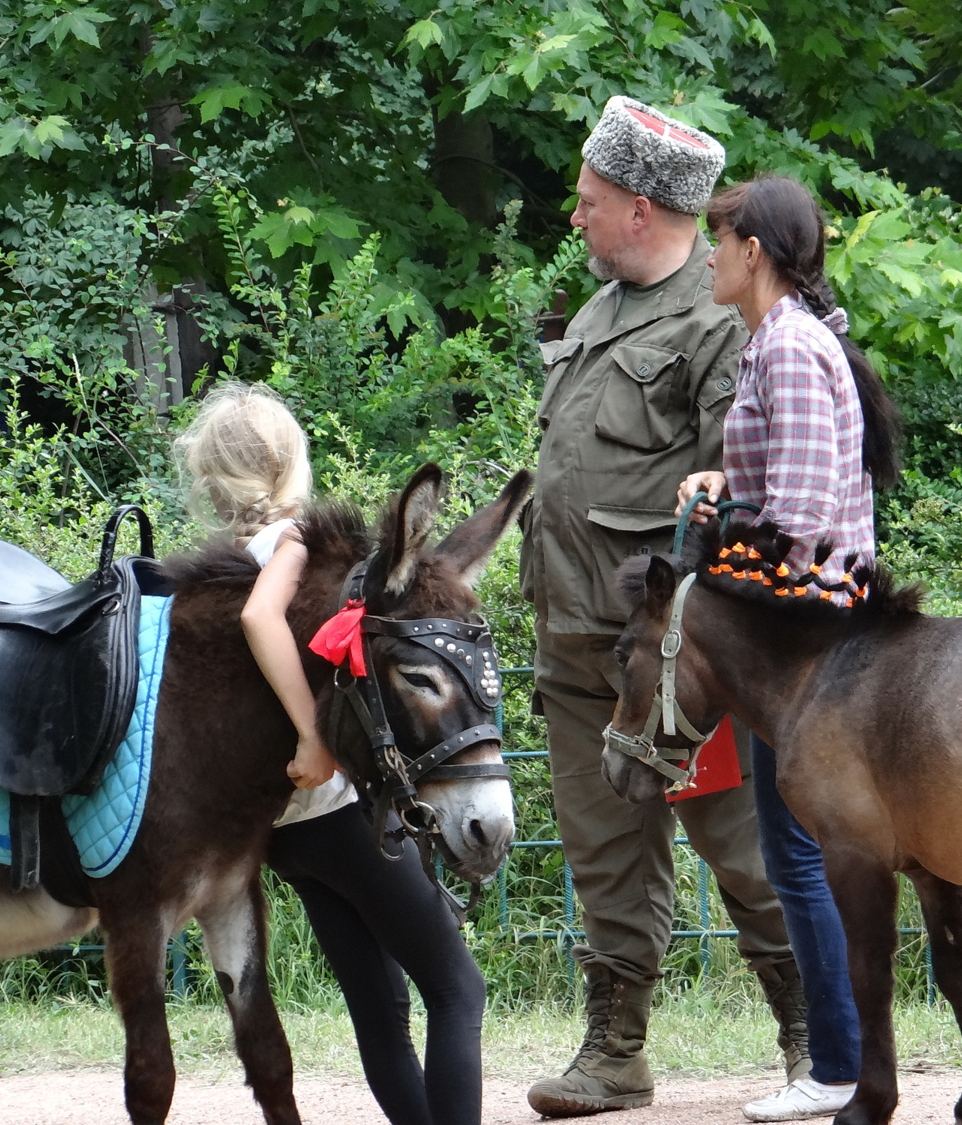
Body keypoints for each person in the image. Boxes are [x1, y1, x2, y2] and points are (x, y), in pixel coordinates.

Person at [519, 98, 811, 1117]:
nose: (576, 217)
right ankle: (616, 1052)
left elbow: (738, 490)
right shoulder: (596, 314)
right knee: (602, 851)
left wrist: (700, 640)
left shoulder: (723, 317)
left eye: (590, 201)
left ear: (642, 209)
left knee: (743, 847)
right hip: (571, 640)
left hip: (678, 656)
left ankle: (809, 1038)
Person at [175, 383, 486, 1125]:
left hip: (283, 830)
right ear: (291, 462)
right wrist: (315, 733)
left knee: (382, 1012)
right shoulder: (293, 544)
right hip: (337, 812)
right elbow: (263, 617)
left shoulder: (219, 564)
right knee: (456, 990)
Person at [675, 176, 903, 1122]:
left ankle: (838, 1065)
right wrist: (725, 482)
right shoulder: (777, 341)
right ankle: (840, 1058)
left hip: (808, 641)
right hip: (800, 631)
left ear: (755, 250)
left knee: (799, 855)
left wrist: (717, 520)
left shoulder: (792, 348)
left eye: (720, 241)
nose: (710, 257)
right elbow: (790, 480)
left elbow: (804, 519)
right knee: (792, 850)